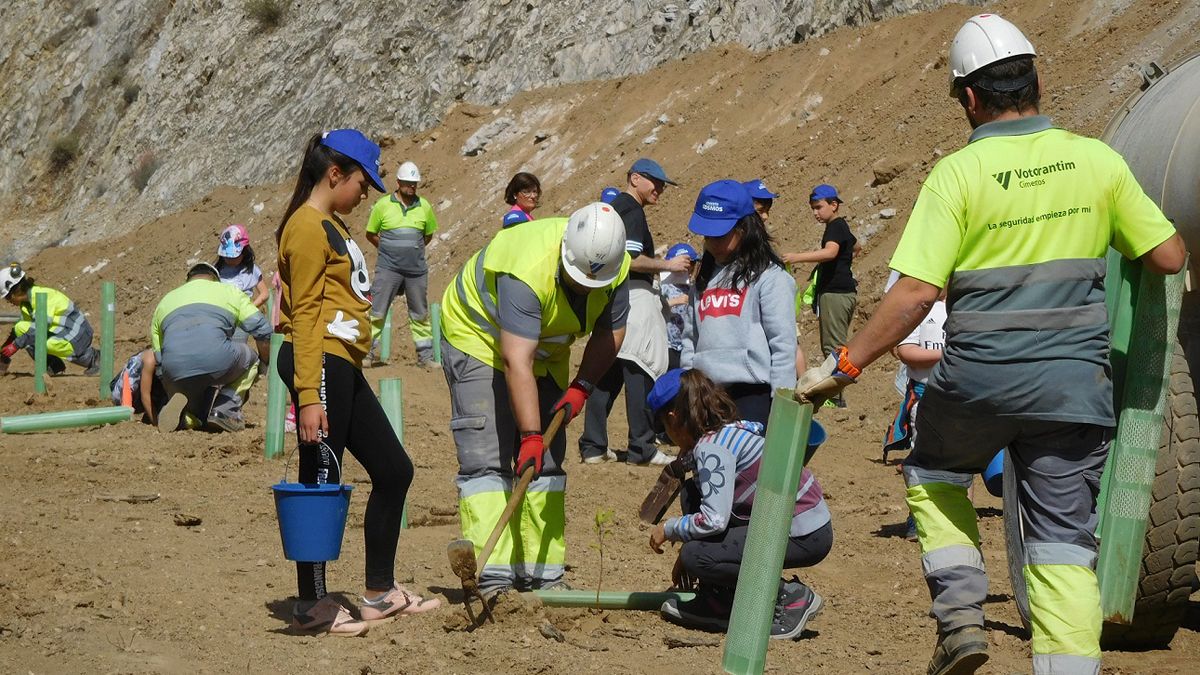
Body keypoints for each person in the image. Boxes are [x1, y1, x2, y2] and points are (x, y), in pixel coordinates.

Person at [796, 14, 1186, 675]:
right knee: (1064, 543)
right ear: (1036, 81)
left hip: (978, 382)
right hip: (1072, 390)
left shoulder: (957, 176)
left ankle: (960, 617)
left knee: (933, 470)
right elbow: (1170, 257)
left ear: (970, 98)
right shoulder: (1098, 161)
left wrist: (845, 363)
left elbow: (916, 292)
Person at [274, 129, 440, 637]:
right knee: (320, 477)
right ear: (334, 174)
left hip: (341, 363)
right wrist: (306, 396)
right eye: (362, 182)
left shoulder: (333, 224)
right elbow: (302, 314)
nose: (367, 192)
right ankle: (311, 604)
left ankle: (378, 592)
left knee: (394, 470)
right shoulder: (305, 227)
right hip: (318, 362)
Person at [439, 202, 630, 597]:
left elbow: (611, 332)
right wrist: (529, 433)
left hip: (544, 349)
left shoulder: (616, 266)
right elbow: (516, 360)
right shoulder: (525, 268)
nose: (584, 289)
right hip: (479, 336)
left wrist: (582, 386)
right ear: (565, 256)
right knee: (488, 457)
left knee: (547, 459)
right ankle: (492, 576)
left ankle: (542, 574)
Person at [647, 368, 831, 639]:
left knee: (697, 555)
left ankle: (789, 597)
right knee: (691, 493)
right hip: (799, 522)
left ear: (673, 419)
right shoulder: (727, 431)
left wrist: (670, 529)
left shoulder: (712, 450)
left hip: (803, 533)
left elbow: (713, 520)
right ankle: (720, 599)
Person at [579, 159, 687, 466]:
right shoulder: (633, 210)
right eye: (656, 181)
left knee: (606, 374)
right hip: (635, 298)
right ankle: (642, 447)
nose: (661, 189)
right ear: (635, 178)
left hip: (612, 297)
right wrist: (667, 265)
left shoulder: (615, 210)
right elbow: (632, 259)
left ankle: (593, 446)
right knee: (641, 369)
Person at [682, 180, 797, 426]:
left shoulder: (770, 278)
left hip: (752, 395)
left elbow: (783, 346)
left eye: (720, 234)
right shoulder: (703, 279)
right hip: (706, 395)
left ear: (744, 228)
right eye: (707, 234)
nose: (712, 242)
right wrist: (687, 387)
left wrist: (782, 403)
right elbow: (690, 338)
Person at [151, 262, 272, 433]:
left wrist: (170, 383)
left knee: (198, 411)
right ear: (215, 279)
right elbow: (263, 330)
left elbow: (159, 356)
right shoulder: (228, 292)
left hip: (174, 370)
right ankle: (225, 410)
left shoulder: (166, 300)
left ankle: (187, 417)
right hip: (216, 360)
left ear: (188, 280)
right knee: (251, 358)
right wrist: (264, 363)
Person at [782, 184, 857, 406]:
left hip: (835, 292)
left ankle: (834, 397)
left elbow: (831, 252)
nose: (815, 212)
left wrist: (796, 257)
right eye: (813, 208)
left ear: (834, 205)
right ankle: (836, 395)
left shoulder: (835, 227)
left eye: (819, 207)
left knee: (833, 347)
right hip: (844, 291)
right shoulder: (841, 227)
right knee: (838, 345)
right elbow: (856, 247)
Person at [365, 160, 439, 366]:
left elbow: (427, 235)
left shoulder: (424, 206)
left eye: (414, 183)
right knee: (377, 311)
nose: (411, 186)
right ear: (398, 182)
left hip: (416, 271)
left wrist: (411, 250)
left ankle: (425, 357)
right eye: (407, 182)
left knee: (420, 314)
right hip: (388, 269)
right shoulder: (382, 206)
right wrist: (388, 249)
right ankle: (366, 353)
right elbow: (371, 233)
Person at [745, 178, 808, 376]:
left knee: (788, 343)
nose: (765, 217)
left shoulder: (756, 243)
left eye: (767, 210)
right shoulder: (750, 242)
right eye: (760, 210)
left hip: (771, 305)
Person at [0, 264, 98, 376]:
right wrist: (4, 350)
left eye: (7, 297)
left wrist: (15, 345)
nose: (9, 302)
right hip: (62, 332)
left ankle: (94, 358)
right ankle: (54, 366)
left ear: (15, 291)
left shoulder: (41, 296)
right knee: (20, 328)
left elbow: (39, 327)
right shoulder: (26, 304)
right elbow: (21, 331)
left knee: (45, 343)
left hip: (77, 334)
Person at [660, 243, 699, 370]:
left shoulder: (692, 288)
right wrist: (675, 301)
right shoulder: (664, 287)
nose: (689, 269)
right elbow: (655, 308)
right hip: (667, 346)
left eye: (692, 265)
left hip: (686, 346)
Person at [215, 224, 270, 308]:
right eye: (227, 256)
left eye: (234, 257)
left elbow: (264, 294)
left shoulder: (250, 269)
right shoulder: (217, 271)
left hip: (245, 314)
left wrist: (250, 309)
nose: (230, 260)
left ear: (244, 252)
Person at [110, 348, 169, 425]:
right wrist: (157, 424)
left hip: (144, 390)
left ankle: (154, 413)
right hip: (123, 395)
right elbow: (145, 395)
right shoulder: (150, 359)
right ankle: (154, 415)